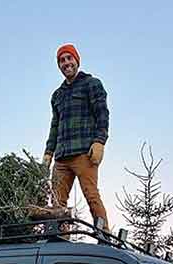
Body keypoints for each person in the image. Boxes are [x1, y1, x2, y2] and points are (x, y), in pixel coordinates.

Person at [43, 44, 110, 233]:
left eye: (69, 59)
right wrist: (49, 152)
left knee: (91, 195)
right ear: (59, 65)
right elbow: (55, 125)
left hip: (84, 153)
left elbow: (102, 114)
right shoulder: (57, 95)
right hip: (62, 157)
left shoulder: (92, 84)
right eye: (62, 60)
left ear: (76, 60)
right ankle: (59, 237)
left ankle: (104, 235)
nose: (66, 63)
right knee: (57, 202)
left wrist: (99, 141)